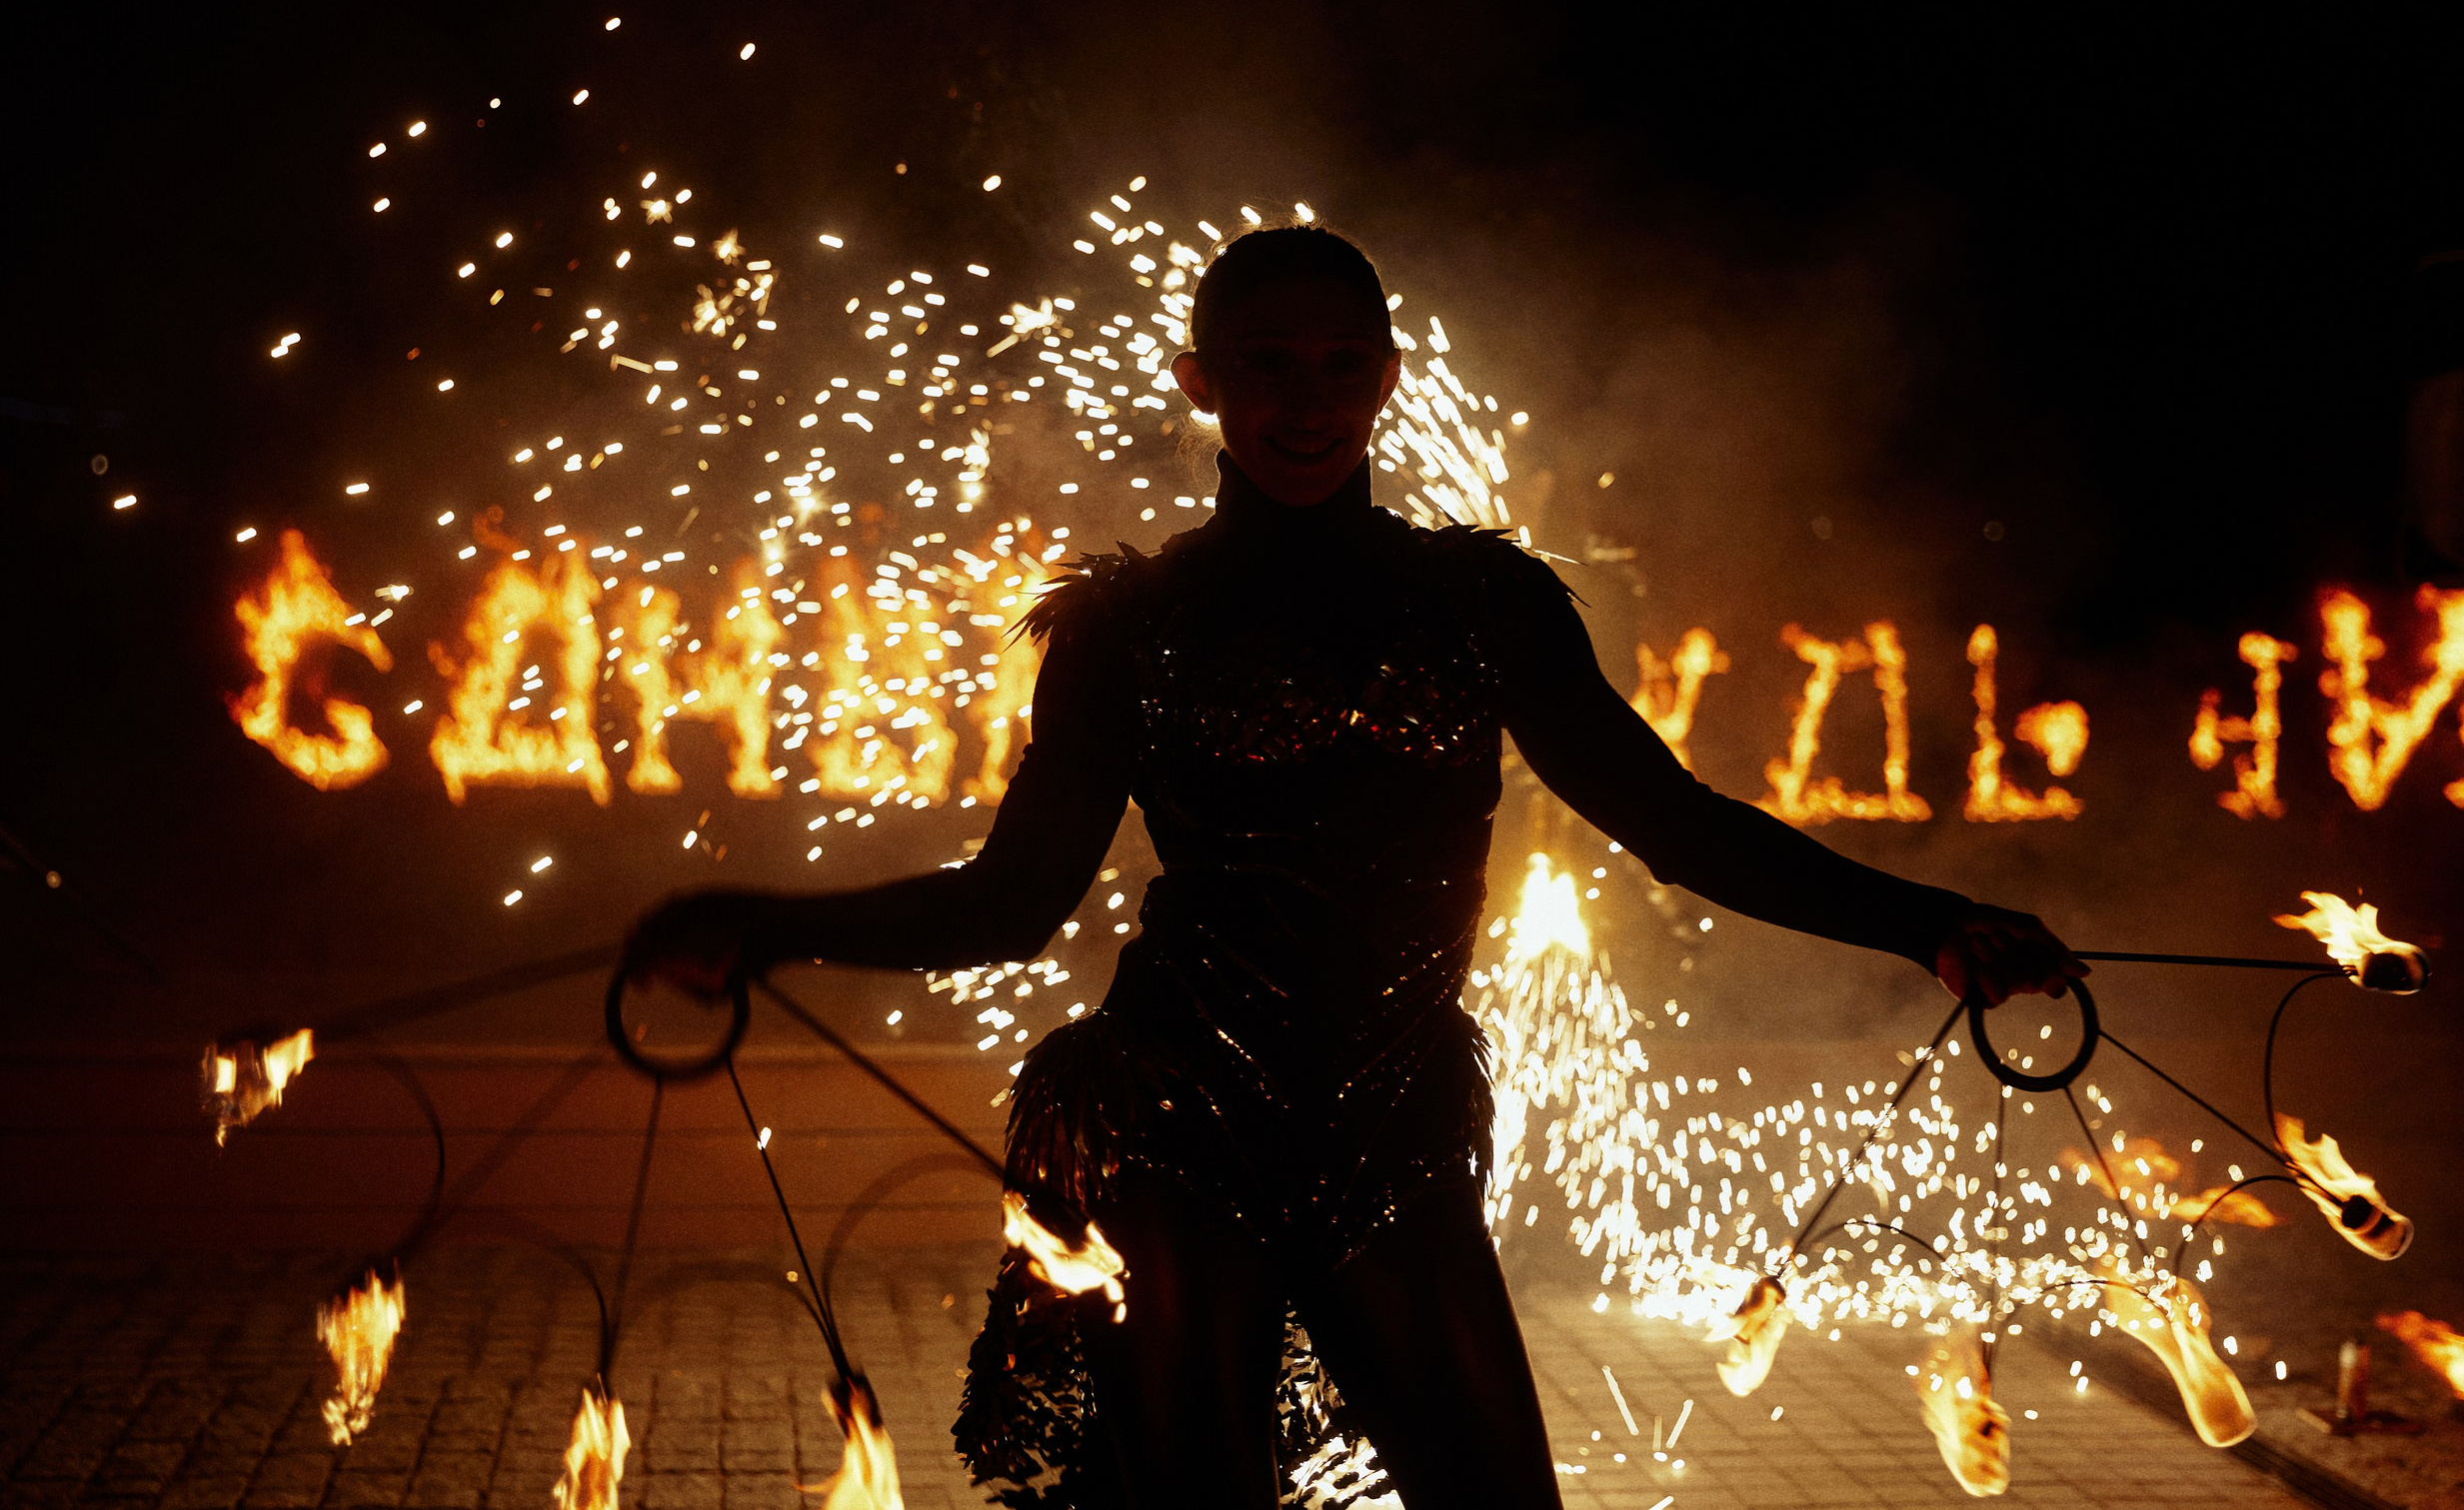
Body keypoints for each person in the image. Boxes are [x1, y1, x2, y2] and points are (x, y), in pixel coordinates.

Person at [624, 224, 2083, 1508]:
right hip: (1182, 1128)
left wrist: (1932, 924)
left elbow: (1675, 819)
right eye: (1267, 364)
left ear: (1386, 376)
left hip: (1393, 1135)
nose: (1304, 402)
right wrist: (758, 922)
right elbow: (1011, 903)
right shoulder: (1127, 625)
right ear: (1202, 381)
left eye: (1337, 365)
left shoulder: (1481, 601)